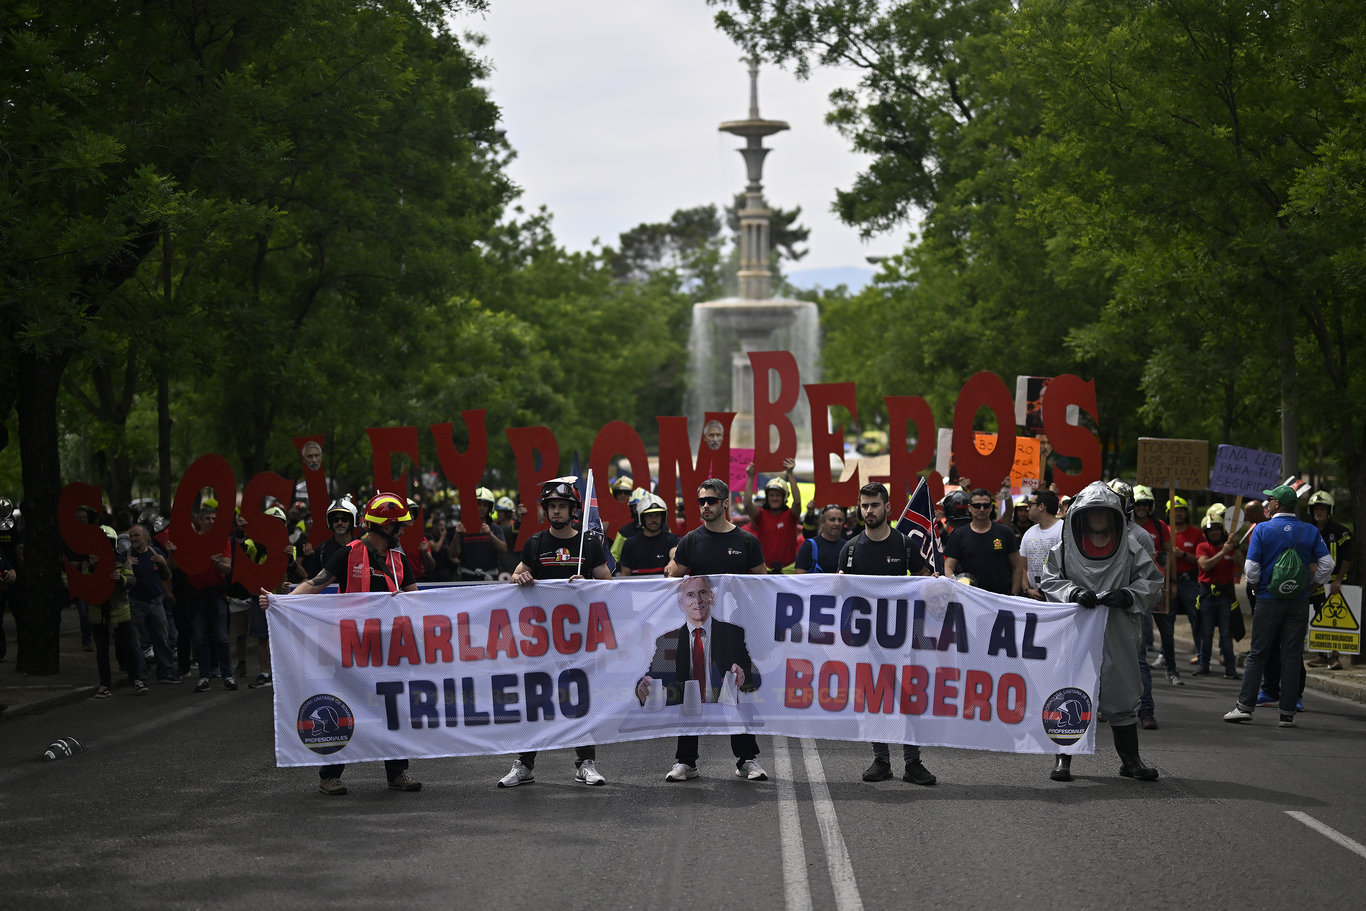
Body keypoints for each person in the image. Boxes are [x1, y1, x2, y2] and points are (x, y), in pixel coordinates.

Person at [279, 491, 423, 795]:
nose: (402, 532)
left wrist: (405, 602)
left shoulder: (399, 558)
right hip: (351, 649)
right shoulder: (348, 553)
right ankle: (329, 775)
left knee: (392, 709)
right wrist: (282, 603)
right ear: (385, 526)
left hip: (390, 650)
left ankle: (397, 772)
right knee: (341, 709)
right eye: (399, 526)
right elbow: (316, 582)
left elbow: (415, 598)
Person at [1041, 482, 1163, 782]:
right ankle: (1063, 760)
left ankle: (1130, 761)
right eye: (1091, 512)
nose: (1097, 518)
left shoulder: (1132, 547)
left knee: (1122, 692)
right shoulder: (1065, 546)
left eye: (1103, 512)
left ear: (1114, 516)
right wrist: (1072, 592)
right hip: (1077, 628)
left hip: (1118, 627)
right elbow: (1049, 580)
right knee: (1070, 692)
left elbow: (1153, 582)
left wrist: (1129, 595)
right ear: (1081, 515)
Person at [497, 478, 612, 789]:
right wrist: (520, 576)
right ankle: (524, 764)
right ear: (546, 510)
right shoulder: (535, 543)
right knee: (535, 700)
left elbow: (608, 582)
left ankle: (586, 763)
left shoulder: (588, 544)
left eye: (563, 506)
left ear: (573, 510)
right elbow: (515, 577)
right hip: (541, 639)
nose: (557, 511)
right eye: (552, 507)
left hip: (579, 638)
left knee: (579, 699)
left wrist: (589, 583)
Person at [664, 477, 769, 781]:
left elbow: (763, 584)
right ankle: (686, 761)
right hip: (696, 631)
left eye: (711, 500)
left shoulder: (747, 541)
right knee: (690, 693)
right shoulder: (691, 541)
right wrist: (672, 567)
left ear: (725, 503)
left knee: (738, 693)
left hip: (734, 630)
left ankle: (746, 758)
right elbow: (672, 581)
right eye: (701, 501)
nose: (705, 506)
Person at [839, 482, 937, 786]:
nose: (869, 511)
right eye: (864, 505)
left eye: (875, 505)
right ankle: (881, 759)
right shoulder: (851, 549)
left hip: (905, 638)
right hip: (867, 640)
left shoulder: (905, 546)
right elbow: (840, 597)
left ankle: (913, 762)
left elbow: (923, 582)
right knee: (874, 700)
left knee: (909, 699)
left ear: (887, 507)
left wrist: (934, 583)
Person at [1223, 485, 1333, 728]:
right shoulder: (1310, 530)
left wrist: (1256, 588)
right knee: (1292, 655)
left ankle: (1244, 707)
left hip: (1269, 599)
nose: (1267, 503)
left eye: (1270, 500)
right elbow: (1327, 564)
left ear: (1277, 505)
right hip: (1299, 600)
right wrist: (1312, 583)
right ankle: (1287, 713)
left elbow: (1251, 570)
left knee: (1258, 652)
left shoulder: (1262, 529)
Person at [634, 575, 762, 781]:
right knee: (686, 698)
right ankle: (686, 762)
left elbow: (755, 680)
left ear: (712, 597)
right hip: (689, 703)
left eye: (703, 593)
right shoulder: (668, 639)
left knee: (743, 704)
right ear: (681, 602)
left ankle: (746, 759)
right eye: (690, 595)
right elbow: (652, 678)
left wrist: (743, 673)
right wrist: (644, 685)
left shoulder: (732, 633)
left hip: (724, 698)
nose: (698, 601)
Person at [89, 525, 148, 698]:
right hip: (98, 615)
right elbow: (83, 585)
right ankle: (104, 684)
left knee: (130, 647)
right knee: (102, 651)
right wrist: (92, 569)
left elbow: (131, 580)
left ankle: (136, 679)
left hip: (120, 613)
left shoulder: (122, 561)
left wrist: (120, 579)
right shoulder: (89, 563)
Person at [1133, 486, 1181, 686]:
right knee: (1139, 633)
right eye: (1137, 504)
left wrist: (1172, 582)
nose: (1141, 508)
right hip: (1135, 587)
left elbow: (1169, 556)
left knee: (1166, 631)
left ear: (1150, 505)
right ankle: (1138, 672)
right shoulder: (1126, 526)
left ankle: (1172, 670)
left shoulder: (1160, 526)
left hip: (1158, 586)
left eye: (1145, 504)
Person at [943, 488, 1023, 596]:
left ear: (991, 508)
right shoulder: (959, 535)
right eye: (977, 506)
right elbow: (948, 567)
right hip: (971, 598)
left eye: (986, 506)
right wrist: (957, 589)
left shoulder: (1005, 532)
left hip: (1002, 598)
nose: (981, 509)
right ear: (970, 508)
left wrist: (1013, 595)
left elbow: (1017, 567)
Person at [126, 523, 179, 683]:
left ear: (145, 537)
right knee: (137, 642)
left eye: (136, 535)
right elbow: (123, 582)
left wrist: (163, 562)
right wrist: (125, 566)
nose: (133, 539)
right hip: (136, 603)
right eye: (131, 536)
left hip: (156, 602)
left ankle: (165, 672)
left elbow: (166, 575)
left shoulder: (155, 552)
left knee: (161, 639)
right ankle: (140, 676)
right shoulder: (127, 556)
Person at [1305, 490, 1352, 670]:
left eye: (1323, 509)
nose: (1320, 512)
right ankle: (1321, 655)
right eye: (1316, 509)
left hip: (1334, 585)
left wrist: (1338, 580)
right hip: (1314, 584)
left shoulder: (1341, 532)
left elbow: (1347, 558)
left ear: (1330, 510)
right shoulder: (1307, 531)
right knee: (1317, 617)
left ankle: (1335, 657)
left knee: (1335, 619)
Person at [1194, 512, 1241, 679]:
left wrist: (1234, 548)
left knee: (1226, 634)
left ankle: (1231, 668)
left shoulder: (1230, 547)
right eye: (1211, 530)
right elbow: (1205, 565)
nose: (1214, 532)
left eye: (1217, 529)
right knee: (1206, 632)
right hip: (1207, 596)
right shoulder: (1202, 547)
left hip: (1226, 597)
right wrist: (1223, 552)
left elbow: (1242, 564)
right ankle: (1203, 665)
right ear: (1205, 533)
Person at [744, 458, 803, 573]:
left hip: (788, 571)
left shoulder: (791, 516)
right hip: (765, 571)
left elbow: (797, 502)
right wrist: (751, 477)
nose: (774, 498)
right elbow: (747, 503)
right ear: (767, 497)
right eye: (771, 495)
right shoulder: (761, 515)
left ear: (784, 498)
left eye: (778, 495)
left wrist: (790, 474)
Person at [1166, 495, 1204, 663]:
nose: (1179, 514)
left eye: (1182, 511)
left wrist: (1182, 555)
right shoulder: (1165, 532)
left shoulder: (1196, 533)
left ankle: (1201, 653)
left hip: (1190, 582)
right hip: (1169, 583)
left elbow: (1201, 559)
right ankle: (1165, 654)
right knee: (1167, 621)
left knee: (1196, 617)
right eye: (1175, 511)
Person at [450, 487, 507, 581]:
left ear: (489, 508)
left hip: (490, 580)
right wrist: (456, 536)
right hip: (467, 580)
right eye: (478, 504)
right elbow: (452, 555)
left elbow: (503, 549)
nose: (481, 508)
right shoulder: (463, 529)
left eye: (484, 505)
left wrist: (490, 535)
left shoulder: (495, 529)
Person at [619, 493, 679, 576]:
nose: (654, 519)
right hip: (637, 589)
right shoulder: (630, 544)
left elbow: (674, 553)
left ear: (663, 517)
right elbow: (625, 578)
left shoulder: (673, 540)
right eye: (649, 516)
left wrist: (672, 561)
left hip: (666, 589)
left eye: (657, 515)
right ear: (642, 518)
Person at [1018, 490, 1062, 600]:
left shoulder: (1063, 530)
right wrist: (1027, 590)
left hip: (1058, 598)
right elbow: (1023, 567)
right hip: (1033, 598)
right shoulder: (1029, 533)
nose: (1027, 508)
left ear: (1041, 506)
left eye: (1030, 504)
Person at [794, 504, 847, 574]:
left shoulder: (848, 547)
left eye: (840, 520)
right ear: (822, 522)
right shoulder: (809, 546)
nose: (837, 523)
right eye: (832, 519)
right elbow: (798, 578)